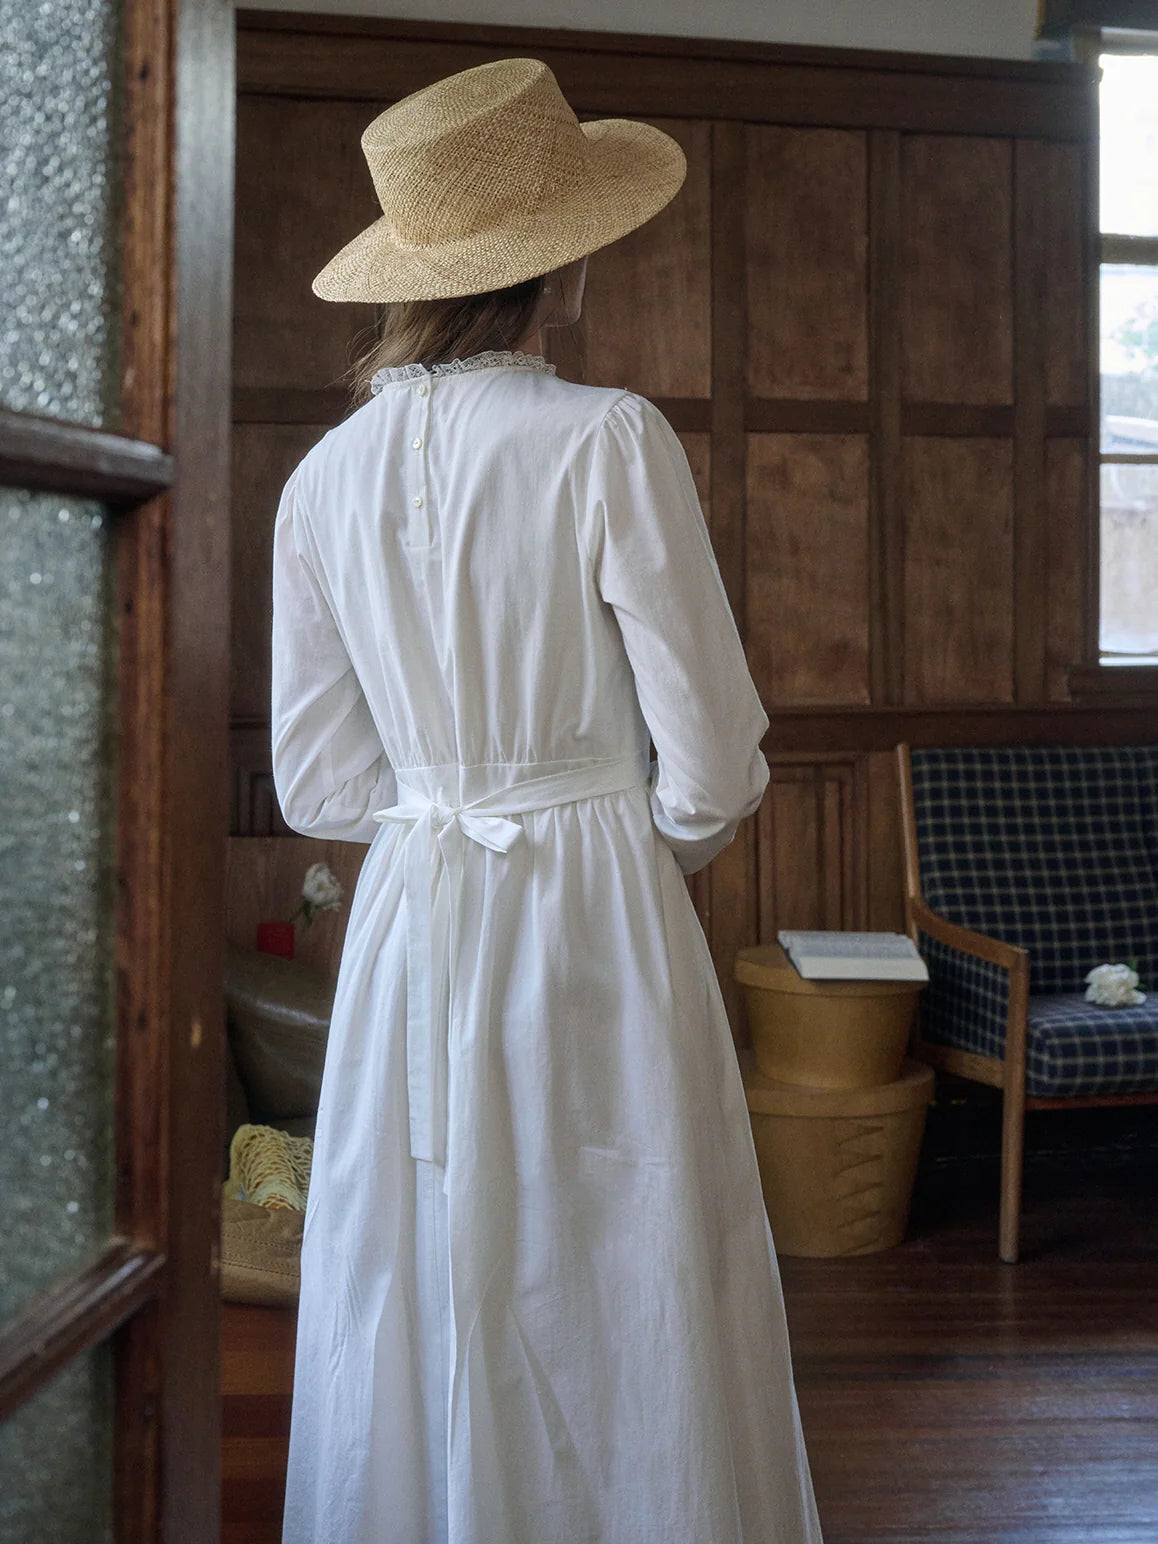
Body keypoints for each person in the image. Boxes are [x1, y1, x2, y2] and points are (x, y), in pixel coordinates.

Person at [271, 55, 824, 1544]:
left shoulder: (319, 482)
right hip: (593, 894)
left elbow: (316, 778)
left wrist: (447, 797)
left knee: (418, 1259)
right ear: (558, 262)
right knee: (620, 1255)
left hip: (414, 907)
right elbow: (709, 751)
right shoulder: (604, 438)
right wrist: (637, 848)